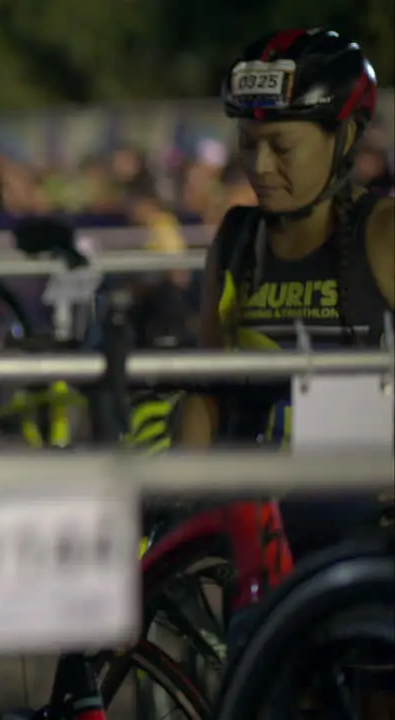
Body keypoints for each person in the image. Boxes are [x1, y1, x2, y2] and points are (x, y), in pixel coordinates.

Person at [175, 22, 394, 612]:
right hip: (255, 535)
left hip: (363, 530)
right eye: (248, 143)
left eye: (283, 147)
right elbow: (207, 388)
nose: (261, 166)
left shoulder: (382, 233)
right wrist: (172, 503)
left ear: (344, 137)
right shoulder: (238, 239)